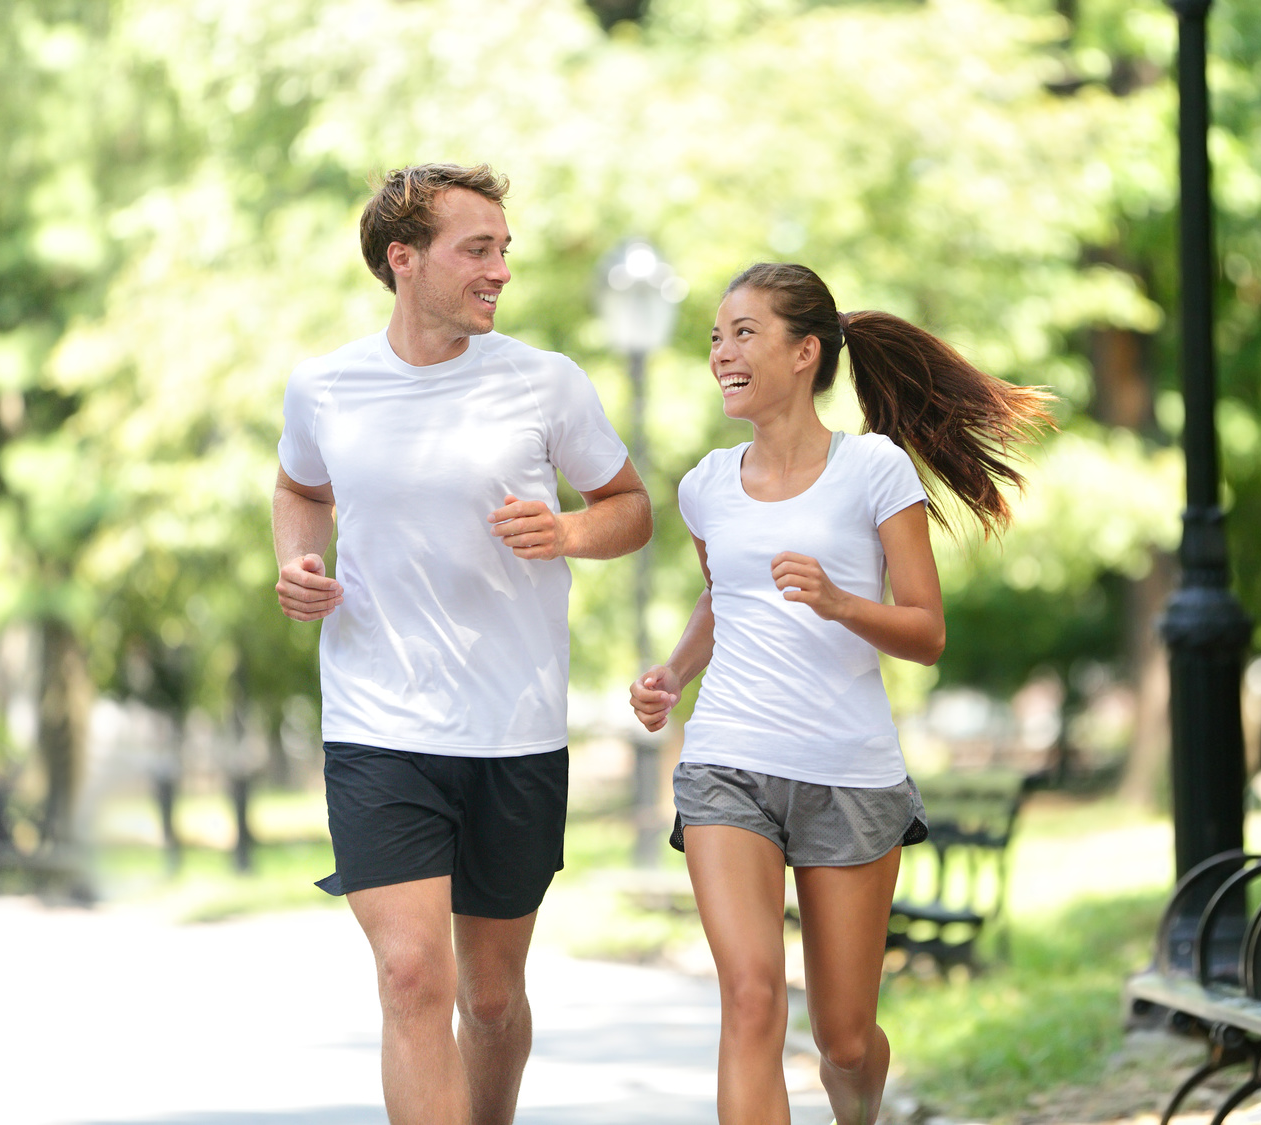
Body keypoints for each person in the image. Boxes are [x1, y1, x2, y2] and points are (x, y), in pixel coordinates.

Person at [629, 263, 1052, 1125]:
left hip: (849, 774)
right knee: (750, 998)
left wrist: (838, 601)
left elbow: (927, 632)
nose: (721, 352)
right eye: (715, 335)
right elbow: (726, 599)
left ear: (804, 351)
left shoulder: (873, 470)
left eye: (743, 332)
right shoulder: (706, 485)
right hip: (728, 764)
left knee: (846, 1041)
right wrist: (674, 674)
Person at [272, 163, 651, 1125]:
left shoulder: (545, 381)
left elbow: (631, 509)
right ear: (404, 259)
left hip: (513, 727)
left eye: (503, 250)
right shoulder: (325, 386)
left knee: (488, 997)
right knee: (410, 978)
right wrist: (300, 563)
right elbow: (299, 492)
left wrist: (568, 531)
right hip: (377, 722)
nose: (501, 271)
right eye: (477, 250)